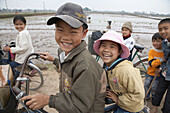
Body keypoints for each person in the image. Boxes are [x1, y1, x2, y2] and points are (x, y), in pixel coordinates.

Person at [21, 2, 107, 113]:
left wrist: (48, 100)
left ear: (84, 33)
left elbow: (80, 106)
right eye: (60, 30)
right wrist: (53, 60)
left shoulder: (85, 67)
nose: (66, 37)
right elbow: (67, 66)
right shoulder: (64, 51)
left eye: (73, 32)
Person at [93, 30, 145, 113]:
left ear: (120, 51)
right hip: (122, 104)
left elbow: (138, 95)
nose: (106, 50)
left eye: (112, 47)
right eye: (103, 46)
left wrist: (117, 99)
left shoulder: (125, 70)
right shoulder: (110, 67)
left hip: (130, 109)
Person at [151, 18, 170, 113]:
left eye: (166, 28)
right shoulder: (164, 43)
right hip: (164, 73)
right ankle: (154, 108)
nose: (163, 31)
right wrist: (161, 67)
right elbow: (165, 58)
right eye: (160, 29)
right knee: (159, 91)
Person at [144, 32, 164, 100]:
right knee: (146, 84)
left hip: (158, 75)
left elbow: (165, 63)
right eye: (153, 41)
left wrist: (160, 67)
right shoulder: (151, 51)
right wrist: (161, 60)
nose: (155, 43)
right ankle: (146, 96)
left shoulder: (165, 52)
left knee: (154, 87)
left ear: (163, 41)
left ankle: (153, 97)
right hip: (150, 73)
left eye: (158, 41)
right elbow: (151, 64)